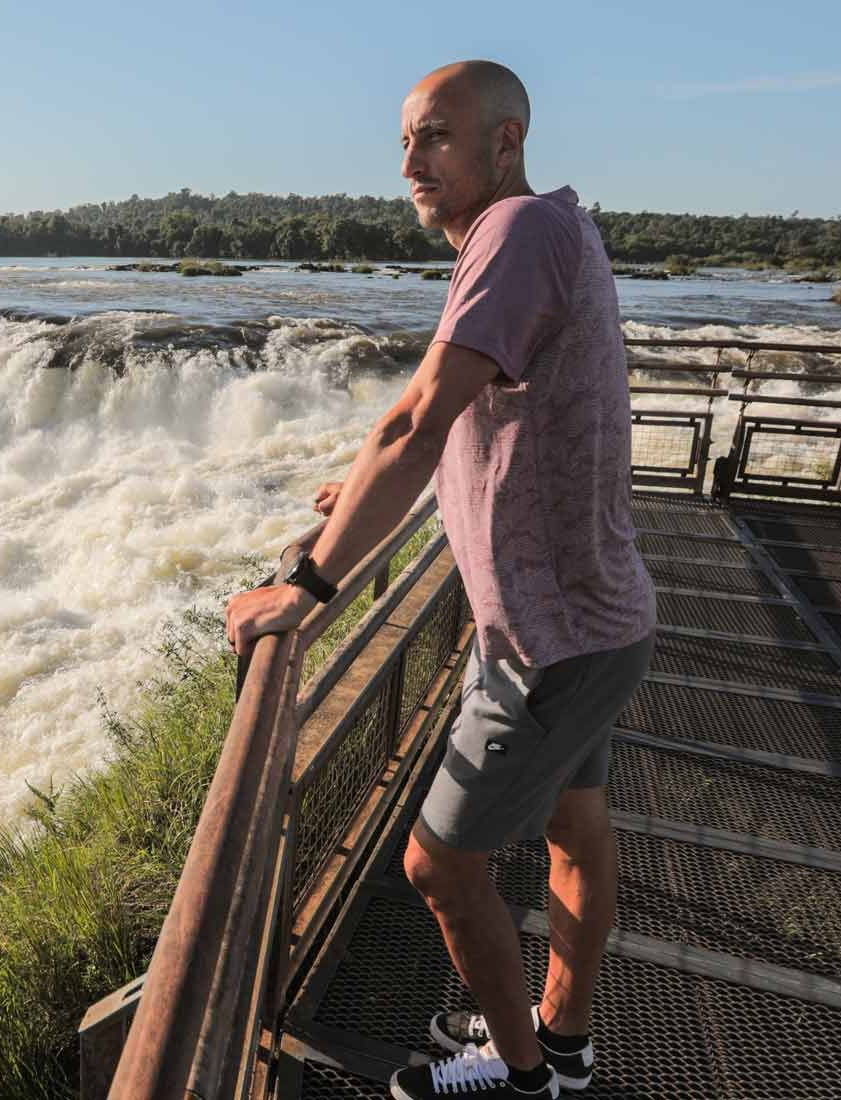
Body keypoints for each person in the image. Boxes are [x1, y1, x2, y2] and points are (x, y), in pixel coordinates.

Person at [224, 59, 656, 1098]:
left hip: (546, 639)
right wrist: (364, 485)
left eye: (436, 137)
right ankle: (563, 1038)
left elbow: (417, 418)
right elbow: (484, 420)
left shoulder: (509, 235)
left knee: (438, 866)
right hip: (596, 615)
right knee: (572, 824)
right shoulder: (556, 226)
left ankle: (519, 1079)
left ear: (503, 140)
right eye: (405, 141)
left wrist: (308, 589)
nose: (410, 161)